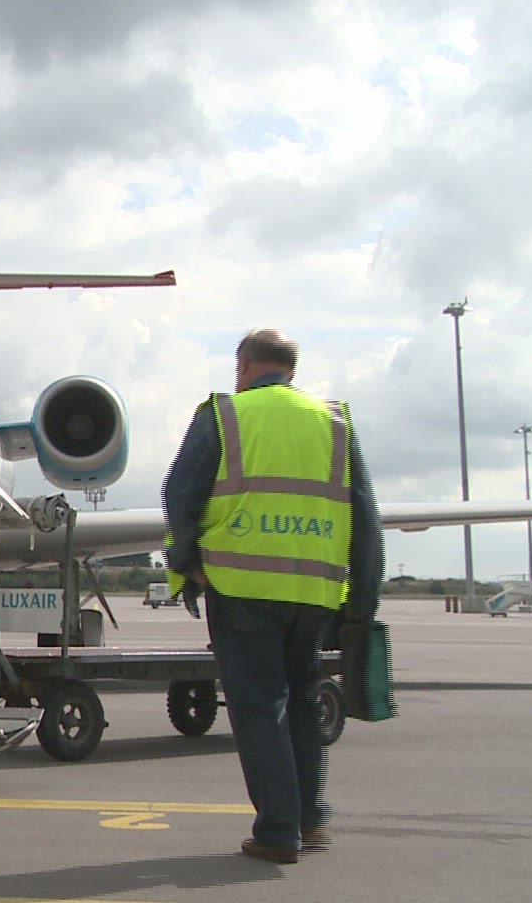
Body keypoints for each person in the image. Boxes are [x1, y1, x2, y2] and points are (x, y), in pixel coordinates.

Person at [162, 329, 384, 864]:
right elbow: (366, 517)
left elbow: (180, 494)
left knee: (260, 707)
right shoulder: (335, 421)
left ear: (244, 366)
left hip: (240, 588)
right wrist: (362, 603)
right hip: (313, 593)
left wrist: (187, 564)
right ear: (292, 369)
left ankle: (279, 831)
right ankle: (312, 820)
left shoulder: (225, 414)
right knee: (302, 701)